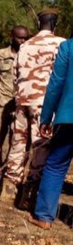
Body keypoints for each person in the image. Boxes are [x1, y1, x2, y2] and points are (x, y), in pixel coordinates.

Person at [3, 9, 64, 205]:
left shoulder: (25, 45)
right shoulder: (60, 44)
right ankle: (28, 195)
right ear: (54, 24)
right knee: (40, 146)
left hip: (22, 100)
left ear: (39, 24)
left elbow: (15, 73)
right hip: (44, 103)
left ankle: (9, 189)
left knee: (18, 143)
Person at [29, 32, 73, 229]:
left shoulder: (68, 47)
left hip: (68, 118)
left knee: (56, 165)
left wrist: (46, 117)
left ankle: (44, 217)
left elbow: (55, 84)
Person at [0, 26, 30, 189]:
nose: (23, 41)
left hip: (20, 105)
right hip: (1, 102)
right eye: (19, 38)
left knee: (17, 140)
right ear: (12, 37)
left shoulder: (29, 56)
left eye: (25, 38)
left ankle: (10, 173)